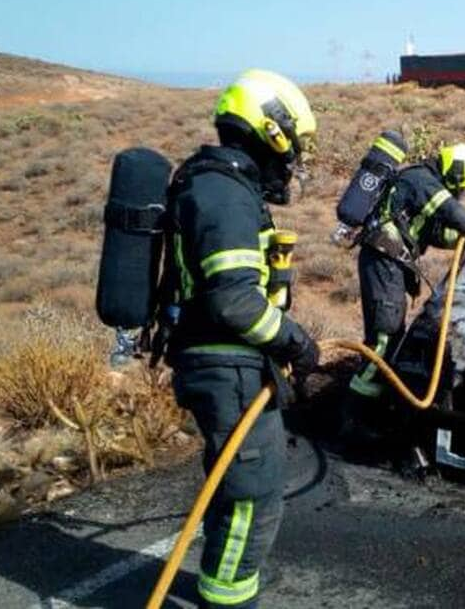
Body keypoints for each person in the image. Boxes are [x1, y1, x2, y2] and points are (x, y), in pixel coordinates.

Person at [164, 69, 321, 609]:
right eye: (293, 146)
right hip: (226, 366)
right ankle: (227, 601)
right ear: (273, 133)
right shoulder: (224, 194)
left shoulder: (219, 185)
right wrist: (295, 341)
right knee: (251, 497)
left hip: (229, 365)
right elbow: (235, 302)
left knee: (235, 489)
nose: (293, 159)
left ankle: (223, 584)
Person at [343, 143, 465, 436]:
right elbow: (453, 213)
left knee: (391, 337)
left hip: (390, 265)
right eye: (463, 187)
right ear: (455, 173)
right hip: (383, 262)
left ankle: (377, 410)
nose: (461, 194)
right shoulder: (421, 181)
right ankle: (355, 418)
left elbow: (436, 232)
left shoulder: (424, 184)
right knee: (383, 338)